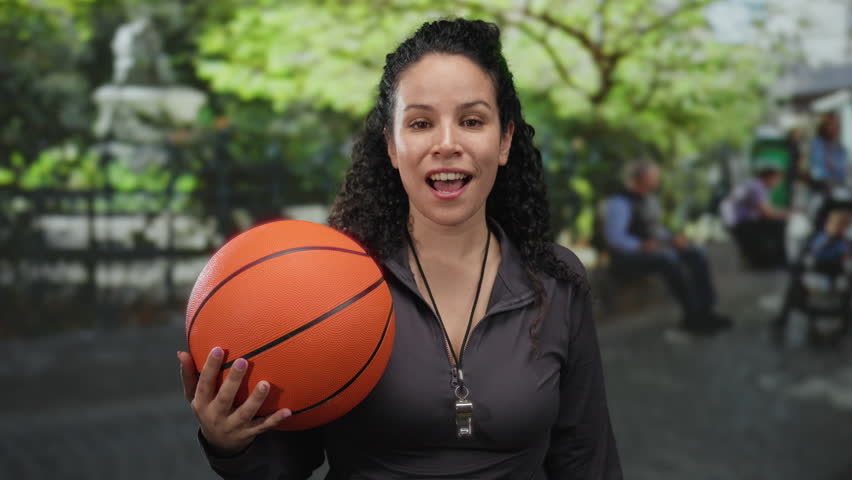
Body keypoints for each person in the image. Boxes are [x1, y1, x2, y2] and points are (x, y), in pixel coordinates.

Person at [177, 19, 622, 479]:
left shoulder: (556, 280)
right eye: (421, 123)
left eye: (471, 121)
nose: (447, 144)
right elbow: (285, 464)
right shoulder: (329, 287)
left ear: (505, 140)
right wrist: (230, 442)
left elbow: (586, 459)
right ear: (391, 146)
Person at [603, 159, 731, 335]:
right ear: (641, 178)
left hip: (653, 250)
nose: (658, 179)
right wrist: (640, 245)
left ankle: (706, 311)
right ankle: (692, 316)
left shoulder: (650, 199)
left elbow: (655, 229)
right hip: (626, 257)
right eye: (654, 176)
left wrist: (672, 238)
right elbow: (615, 237)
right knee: (669, 259)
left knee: (696, 253)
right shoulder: (619, 202)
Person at [722, 161, 789, 269]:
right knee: (779, 224)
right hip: (741, 224)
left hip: (741, 223)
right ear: (769, 176)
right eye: (777, 178)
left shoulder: (755, 185)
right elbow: (767, 213)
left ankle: (768, 259)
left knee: (776, 223)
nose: (778, 182)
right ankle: (780, 261)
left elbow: (766, 211)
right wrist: (788, 213)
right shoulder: (757, 187)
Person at [809, 112, 848, 190]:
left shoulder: (840, 147)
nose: (835, 129)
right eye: (831, 125)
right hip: (823, 187)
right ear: (824, 126)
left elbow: (843, 170)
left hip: (839, 187)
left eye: (837, 126)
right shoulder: (817, 144)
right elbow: (816, 171)